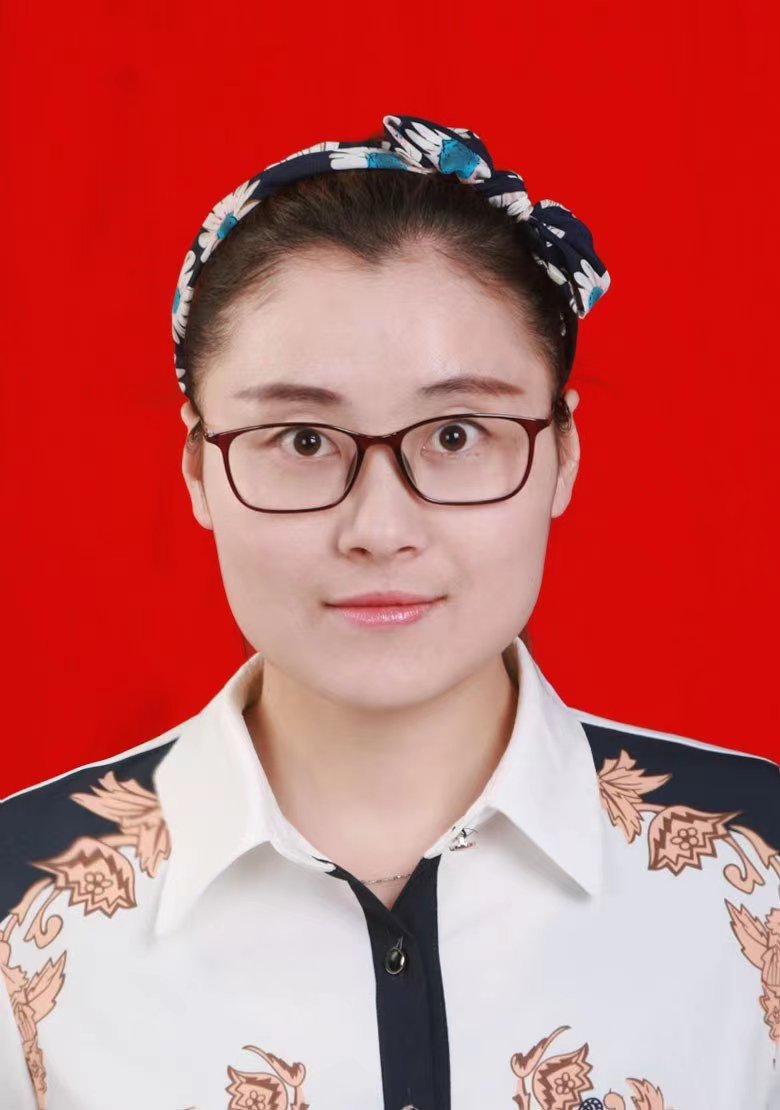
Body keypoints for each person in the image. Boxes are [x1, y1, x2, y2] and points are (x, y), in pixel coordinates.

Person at [0, 113, 777, 1110]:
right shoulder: (22, 911)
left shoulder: (758, 871)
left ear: (563, 456)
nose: (380, 528)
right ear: (197, 468)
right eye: (302, 439)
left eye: (455, 434)